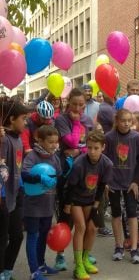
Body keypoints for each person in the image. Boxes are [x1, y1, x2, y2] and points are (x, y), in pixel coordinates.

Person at [54, 88, 94, 271]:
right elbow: (70, 141)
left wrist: (80, 150)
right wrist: (77, 125)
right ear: (68, 103)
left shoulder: (88, 120)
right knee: (66, 215)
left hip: (85, 171)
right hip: (67, 172)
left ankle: (85, 253)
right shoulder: (62, 119)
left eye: (81, 105)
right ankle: (60, 254)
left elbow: (92, 145)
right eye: (74, 104)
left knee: (86, 217)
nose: (78, 108)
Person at [66, 130, 113, 280]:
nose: (92, 151)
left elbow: (101, 185)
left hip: (91, 199)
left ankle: (85, 259)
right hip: (75, 199)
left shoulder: (107, 163)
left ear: (103, 147)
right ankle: (78, 265)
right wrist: (67, 206)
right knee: (81, 227)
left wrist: (95, 206)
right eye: (89, 147)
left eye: (96, 148)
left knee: (92, 228)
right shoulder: (79, 163)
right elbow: (71, 187)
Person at [105, 109, 139, 264]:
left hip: (130, 183)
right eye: (123, 120)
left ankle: (134, 249)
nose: (127, 123)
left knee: (132, 214)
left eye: (129, 120)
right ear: (117, 120)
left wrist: (136, 181)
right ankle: (118, 246)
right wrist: (106, 182)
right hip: (114, 182)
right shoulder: (109, 137)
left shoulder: (136, 137)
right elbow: (105, 161)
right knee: (116, 213)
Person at [22, 126, 61, 280]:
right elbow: (24, 175)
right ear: (40, 140)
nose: (54, 145)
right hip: (32, 205)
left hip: (48, 204)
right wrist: (39, 178)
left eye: (56, 142)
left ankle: (41, 264)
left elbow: (58, 175)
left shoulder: (54, 157)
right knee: (33, 235)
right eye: (50, 142)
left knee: (43, 235)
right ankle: (33, 271)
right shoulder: (32, 156)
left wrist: (67, 171)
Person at [0, 101, 30, 280]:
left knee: (17, 236)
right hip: (3, 197)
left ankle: (7, 270)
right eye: (23, 119)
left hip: (17, 193)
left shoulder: (18, 138)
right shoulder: (4, 140)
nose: (25, 123)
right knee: (2, 240)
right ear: (11, 119)